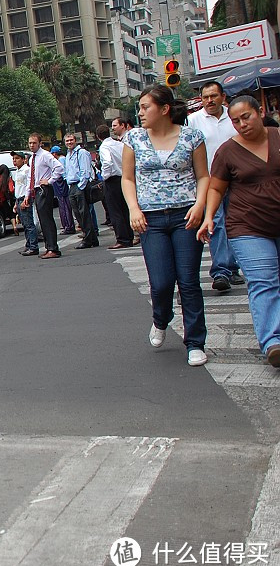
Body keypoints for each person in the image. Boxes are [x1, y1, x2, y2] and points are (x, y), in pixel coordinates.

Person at [122, 85, 210, 367]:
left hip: (186, 215)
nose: (140, 113)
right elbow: (128, 179)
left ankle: (195, 342)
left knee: (188, 281)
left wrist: (199, 205)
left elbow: (203, 176)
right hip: (151, 219)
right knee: (160, 283)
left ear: (164, 109)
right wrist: (134, 209)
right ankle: (161, 319)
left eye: (145, 107)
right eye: (139, 107)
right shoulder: (133, 138)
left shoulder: (192, 137)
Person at [197, 96, 280, 366]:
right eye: (236, 121)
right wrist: (209, 217)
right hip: (248, 226)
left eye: (247, 117)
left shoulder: (278, 137)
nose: (242, 124)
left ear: (260, 112)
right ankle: (273, 341)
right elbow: (217, 188)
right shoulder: (227, 151)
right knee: (263, 280)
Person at [187, 81, 243, 292]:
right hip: (210, 182)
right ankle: (220, 272)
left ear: (222, 97)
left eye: (213, 96)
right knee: (217, 223)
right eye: (205, 97)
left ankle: (233, 267)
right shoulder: (193, 121)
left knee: (237, 224)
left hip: (238, 181)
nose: (209, 101)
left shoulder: (234, 116)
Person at [24, 133, 65, 259]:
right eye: (30, 143)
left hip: (44, 189)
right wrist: (27, 194)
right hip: (36, 190)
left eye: (34, 143)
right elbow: (31, 177)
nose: (32, 145)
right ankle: (49, 247)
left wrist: (50, 180)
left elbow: (59, 168)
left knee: (47, 219)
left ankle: (53, 248)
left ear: (40, 143)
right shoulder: (32, 158)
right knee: (42, 220)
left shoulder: (45, 155)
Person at [98, 123, 134, 249]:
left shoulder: (104, 147)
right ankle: (129, 236)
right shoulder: (119, 144)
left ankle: (122, 239)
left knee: (115, 211)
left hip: (112, 180)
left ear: (98, 137)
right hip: (123, 177)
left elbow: (107, 162)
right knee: (124, 209)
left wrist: (104, 176)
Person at [63, 133, 99, 248]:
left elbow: (85, 171)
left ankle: (88, 239)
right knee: (78, 214)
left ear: (75, 141)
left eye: (71, 140)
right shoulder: (68, 155)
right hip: (72, 186)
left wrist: (80, 186)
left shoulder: (81, 153)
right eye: (67, 141)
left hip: (80, 186)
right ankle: (92, 238)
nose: (69, 143)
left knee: (84, 214)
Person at [11, 152, 39, 255]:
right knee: (24, 224)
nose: (15, 160)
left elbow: (29, 186)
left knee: (29, 224)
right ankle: (28, 245)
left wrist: (26, 199)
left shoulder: (26, 170)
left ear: (24, 160)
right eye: (13, 158)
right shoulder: (17, 171)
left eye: (17, 158)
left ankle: (33, 246)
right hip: (19, 199)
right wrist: (16, 203)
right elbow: (18, 187)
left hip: (25, 198)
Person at [49, 145, 76, 234]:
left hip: (62, 188)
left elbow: (62, 175)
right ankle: (68, 225)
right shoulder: (64, 159)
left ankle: (68, 226)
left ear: (54, 153)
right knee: (66, 207)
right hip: (63, 188)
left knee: (65, 207)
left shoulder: (60, 161)